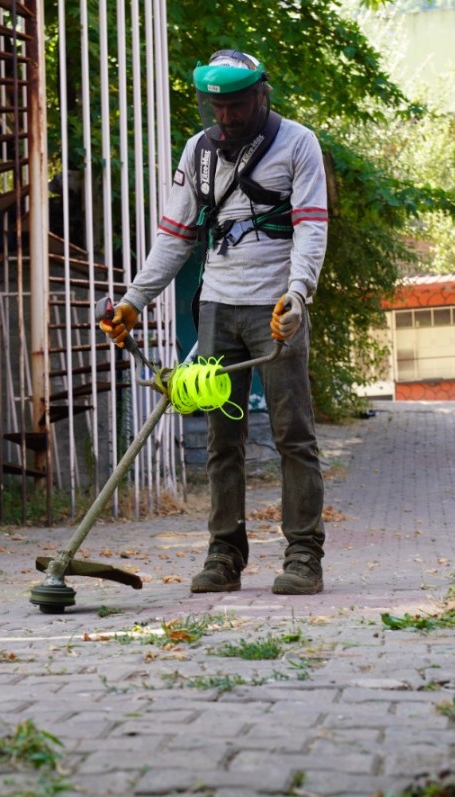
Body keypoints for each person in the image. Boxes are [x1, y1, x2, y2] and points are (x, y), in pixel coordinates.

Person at [100, 50, 329, 595]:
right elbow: (175, 236)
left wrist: (297, 295)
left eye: (238, 105)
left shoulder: (298, 144)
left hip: (277, 311)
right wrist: (134, 301)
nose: (226, 118)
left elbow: (310, 228)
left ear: (262, 96)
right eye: (217, 107)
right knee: (221, 441)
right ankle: (224, 555)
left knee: (292, 435)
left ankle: (303, 556)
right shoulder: (197, 153)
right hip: (216, 311)